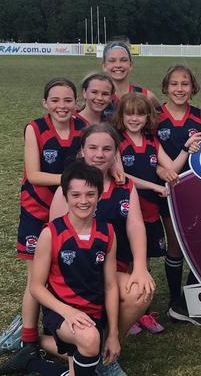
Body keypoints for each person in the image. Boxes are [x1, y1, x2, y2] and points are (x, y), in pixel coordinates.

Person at [49, 124, 156, 376]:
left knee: (141, 292)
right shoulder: (68, 189)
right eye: (93, 148)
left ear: (116, 153)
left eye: (107, 149)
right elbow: (53, 241)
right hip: (74, 278)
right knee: (83, 333)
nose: (100, 154)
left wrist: (140, 267)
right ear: (82, 152)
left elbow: (136, 225)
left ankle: (110, 343)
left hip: (110, 272)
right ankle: (37, 342)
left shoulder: (124, 185)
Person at [0, 162, 120, 376]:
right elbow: (36, 287)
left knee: (85, 358)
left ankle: (30, 363)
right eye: (76, 195)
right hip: (61, 312)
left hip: (92, 312)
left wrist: (114, 334)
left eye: (90, 194)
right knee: (90, 339)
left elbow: (110, 286)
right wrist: (68, 312)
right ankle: (34, 356)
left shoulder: (107, 232)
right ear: (65, 196)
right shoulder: (51, 233)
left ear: (100, 195)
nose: (83, 201)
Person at [0, 78, 87, 357]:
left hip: (71, 212)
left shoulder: (82, 128)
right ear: (45, 103)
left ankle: (65, 329)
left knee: (69, 272)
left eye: (68, 100)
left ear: (75, 103)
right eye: (55, 100)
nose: (62, 106)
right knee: (37, 278)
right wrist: (73, 181)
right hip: (37, 211)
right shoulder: (35, 129)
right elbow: (33, 175)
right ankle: (28, 338)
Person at [111, 92, 201, 334]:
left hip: (149, 212)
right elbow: (121, 176)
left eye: (140, 114)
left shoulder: (151, 140)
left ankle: (142, 313)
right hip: (126, 212)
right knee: (126, 263)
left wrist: (186, 149)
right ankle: (126, 309)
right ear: (121, 116)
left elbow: (171, 166)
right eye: (129, 113)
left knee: (144, 262)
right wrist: (154, 185)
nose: (134, 118)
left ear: (148, 117)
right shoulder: (117, 140)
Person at [155, 64, 201, 325]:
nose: (179, 89)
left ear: (193, 88)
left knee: (199, 244)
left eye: (185, 83)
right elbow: (145, 151)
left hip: (198, 192)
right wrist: (159, 169)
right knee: (175, 244)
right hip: (168, 192)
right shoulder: (155, 116)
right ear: (166, 87)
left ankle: (191, 298)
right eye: (174, 84)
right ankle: (175, 301)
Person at [101, 41, 160, 118]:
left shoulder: (146, 96)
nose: (118, 65)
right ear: (104, 66)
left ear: (131, 65)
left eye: (123, 60)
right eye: (112, 60)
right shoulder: (98, 97)